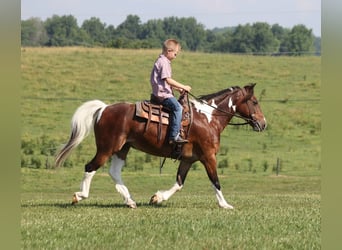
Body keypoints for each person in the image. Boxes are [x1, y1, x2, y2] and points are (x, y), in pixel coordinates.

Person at [150, 39, 192, 144]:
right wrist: (184, 86)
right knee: (178, 108)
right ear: (169, 51)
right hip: (163, 95)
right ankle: (174, 136)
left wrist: (178, 89)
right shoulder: (164, 62)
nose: (176, 56)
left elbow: (164, 82)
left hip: (161, 92)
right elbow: (167, 80)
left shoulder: (162, 60)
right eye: (175, 53)